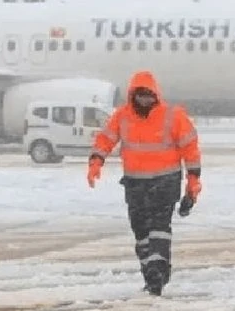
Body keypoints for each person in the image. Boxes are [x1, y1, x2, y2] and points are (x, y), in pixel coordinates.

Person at [86, 69, 202, 296]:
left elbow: (191, 149)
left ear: (156, 95)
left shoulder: (173, 116)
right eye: (140, 96)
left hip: (165, 182)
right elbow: (105, 139)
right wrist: (96, 162)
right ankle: (150, 272)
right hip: (135, 184)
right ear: (133, 96)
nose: (145, 100)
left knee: (159, 228)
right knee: (141, 232)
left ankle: (158, 270)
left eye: (148, 95)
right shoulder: (122, 116)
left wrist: (193, 180)